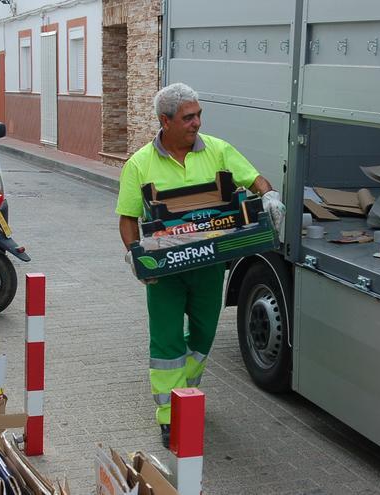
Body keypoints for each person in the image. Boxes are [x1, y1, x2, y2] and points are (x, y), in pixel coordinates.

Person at [115, 82, 285, 448]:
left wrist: (268, 195)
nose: (196, 123)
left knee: (205, 335)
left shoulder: (218, 151)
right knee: (166, 342)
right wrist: (135, 255)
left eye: (198, 115)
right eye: (188, 117)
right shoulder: (140, 164)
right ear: (166, 121)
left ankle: (184, 391)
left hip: (208, 265)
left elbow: (253, 178)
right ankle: (170, 417)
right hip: (165, 271)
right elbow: (128, 217)